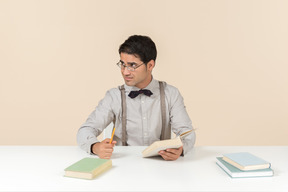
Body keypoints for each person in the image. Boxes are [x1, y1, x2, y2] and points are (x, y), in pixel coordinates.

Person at [77, 35, 196, 161]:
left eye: (132, 65)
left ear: (150, 65)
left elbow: (187, 133)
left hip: (161, 166)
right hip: (122, 165)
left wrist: (181, 148)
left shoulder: (170, 94)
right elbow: (85, 130)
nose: (125, 72)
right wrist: (95, 146)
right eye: (122, 64)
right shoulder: (114, 96)